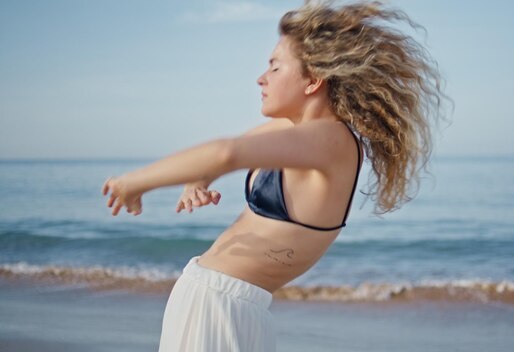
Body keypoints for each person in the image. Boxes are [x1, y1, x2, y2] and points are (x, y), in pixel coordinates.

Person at [101, 0, 451, 351]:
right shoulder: (298, 131)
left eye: (274, 66)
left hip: (223, 306)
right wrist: (198, 180)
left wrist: (135, 182)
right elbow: (229, 151)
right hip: (223, 303)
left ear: (313, 79)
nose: (261, 78)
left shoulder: (332, 142)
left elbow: (226, 154)